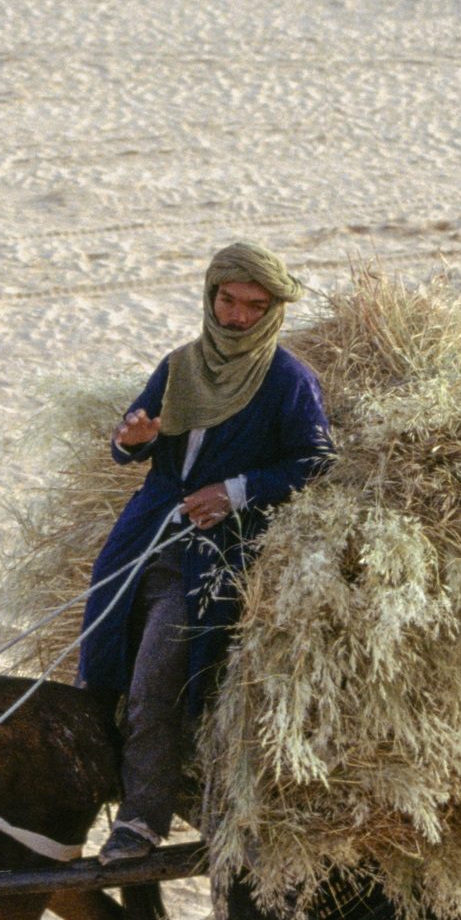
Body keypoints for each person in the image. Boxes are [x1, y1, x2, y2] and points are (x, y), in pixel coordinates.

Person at [80, 242, 333, 865]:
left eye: (254, 305)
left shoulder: (287, 381)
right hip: (142, 538)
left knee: (154, 680)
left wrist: (236, 491)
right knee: (99, 662)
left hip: (214, 556)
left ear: (273, 310)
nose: (237, 316)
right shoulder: (182, 365)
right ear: (210, 296)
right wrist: (131, 440)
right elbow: (132, 445)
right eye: (227, 300)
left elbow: (315, 460)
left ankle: (142, 821)